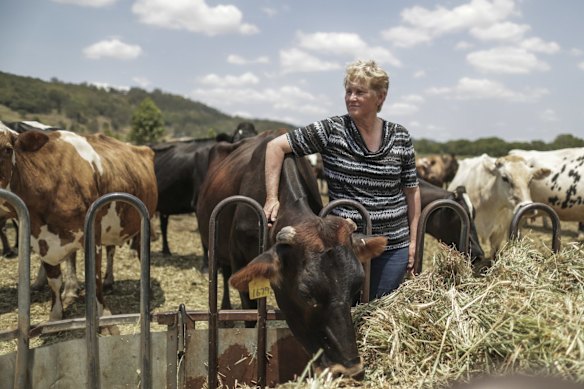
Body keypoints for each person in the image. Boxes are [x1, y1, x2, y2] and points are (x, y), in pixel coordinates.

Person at [263, 59, 421, 300]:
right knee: (347, 313)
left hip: (393, 247)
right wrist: (272, 198)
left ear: (380, 97)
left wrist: (413, 242)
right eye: (348, 91)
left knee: (382, 311)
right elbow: (275, 147)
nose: (351, 98)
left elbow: (412, 191)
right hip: (345, 247)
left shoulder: (400, 135)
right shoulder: (331, 130)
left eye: (360, 92)